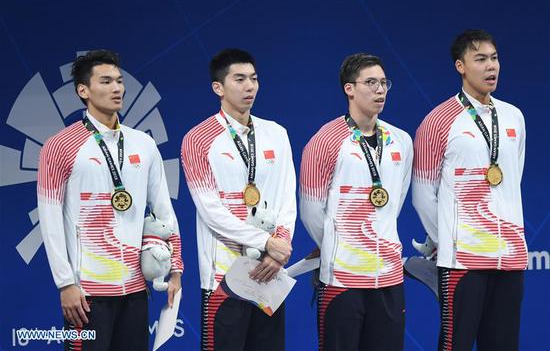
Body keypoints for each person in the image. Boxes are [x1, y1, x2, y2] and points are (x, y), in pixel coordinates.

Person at [37, 50, 183, 351]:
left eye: (119, 81)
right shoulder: (59, 147)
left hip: (135, 289)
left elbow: (164, 213)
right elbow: (49, 220)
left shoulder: (143, 144)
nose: (117, 88)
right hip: (86, 293)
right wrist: (65, 283)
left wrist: (176, 270)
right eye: (105, 81)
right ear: (83, 90)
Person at [412, 29, 528, 351]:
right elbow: (423, 196)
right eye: (480, 59)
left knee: (504, 345)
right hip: (463, 261)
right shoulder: (438, 121)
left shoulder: (514, 117)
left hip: (510, 257)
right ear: (460, 66)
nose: (491, 66)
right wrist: (449, 241)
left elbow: (510, 181)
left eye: (494, 58)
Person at [181, 48, 296, 351]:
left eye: (254, 79)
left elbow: (287, 199)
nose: (250, 86)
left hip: (270, 274)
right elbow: (210, 211)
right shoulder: (197, 139)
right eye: (240, 79)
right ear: (218, 87)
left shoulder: (277, 133)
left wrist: (278, 250)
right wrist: (267, 242)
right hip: (223, 278)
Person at [300, 53, 412, 351]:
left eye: (384, 83)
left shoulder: (401, 140)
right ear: (349, 89)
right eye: (371, 83)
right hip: (342, 279)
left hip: (389, 276)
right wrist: (338, 246)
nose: (380, 90)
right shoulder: (325, 140)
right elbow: (311, 209)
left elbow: (393, 203)